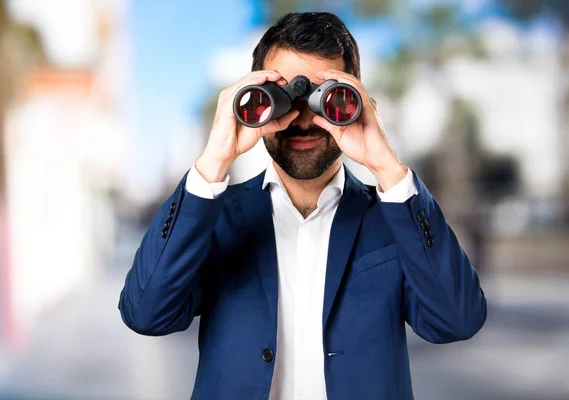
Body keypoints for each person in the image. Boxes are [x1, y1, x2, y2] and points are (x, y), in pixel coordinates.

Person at [119, 12, 487, 400]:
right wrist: (213, 160)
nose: (304, 120)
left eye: (324, 95)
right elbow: (146, 314)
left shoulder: (391, 218)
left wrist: (387, 167)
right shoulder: (215, 217)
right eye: (284, 97)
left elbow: (457, 320)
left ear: (356, 99)